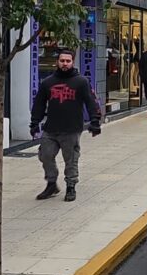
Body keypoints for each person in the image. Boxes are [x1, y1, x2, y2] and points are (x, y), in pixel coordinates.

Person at [30, 49, 101, 202]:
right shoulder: (48, 82)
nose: (65, 64)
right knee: (45, 156)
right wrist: (35, 122)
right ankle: (51, 183)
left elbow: (91, 102)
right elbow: (39, 104)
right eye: (62, 61)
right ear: (57, 62)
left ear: (72, 62)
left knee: (71, 159)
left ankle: (71, 186)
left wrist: (95, 121)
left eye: (68, 61)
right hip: (51, 128)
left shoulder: (81, 82)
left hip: (71, 129)